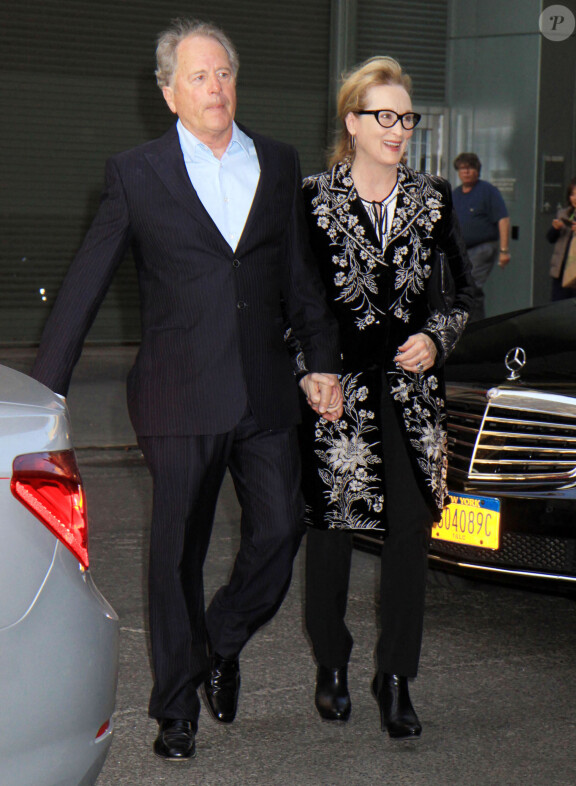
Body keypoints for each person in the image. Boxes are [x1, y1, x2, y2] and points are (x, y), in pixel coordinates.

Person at [30, 18, 343, 762]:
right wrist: (45, 393)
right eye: (199, 77)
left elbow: (302, 282)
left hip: (265, 390)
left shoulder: (277, 160)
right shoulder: (136, 173)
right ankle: (176, 710)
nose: (216, 88)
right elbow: (84, 284)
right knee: (176, 555)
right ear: (169, 93)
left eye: (225, 74)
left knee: (279, 532)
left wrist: (321, 361)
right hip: (176, 394)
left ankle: (217, 643)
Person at [298, 56, 474, 740]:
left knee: (409, 538)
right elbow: (294, 301)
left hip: (413, 396)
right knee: (333, 535)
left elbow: (463, 293)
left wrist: (437, 335)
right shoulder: (312, 198)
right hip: (337, 394)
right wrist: (310, 370)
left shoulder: (433, 199)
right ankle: (333, 663)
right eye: (385, 116)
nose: (399, 129)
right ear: (353, 122)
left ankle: (396, 676)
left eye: (406, 117)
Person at [452, 152, 510, 320]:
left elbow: (503, 220)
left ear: (477, 170)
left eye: (470, 168)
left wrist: (504, 251)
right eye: (462, 169)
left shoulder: (488, 191)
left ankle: (476, 327)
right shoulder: (455, 194)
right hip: (461, 251)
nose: (466, 172)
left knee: (471, 287)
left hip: (483, 248)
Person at [547, 175, 576, 300]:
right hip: (561, 270)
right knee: (558, 307)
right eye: (573, 194)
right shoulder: (563, 214)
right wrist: (555, 228)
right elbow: (550, 238)